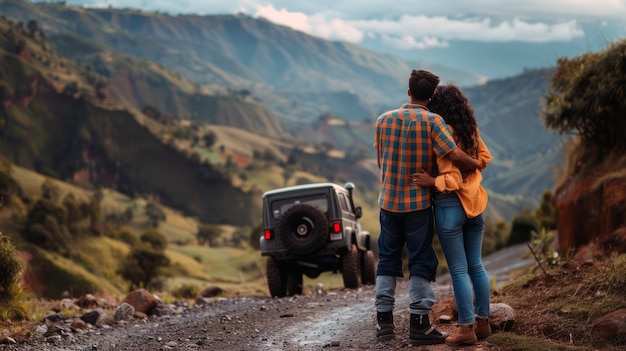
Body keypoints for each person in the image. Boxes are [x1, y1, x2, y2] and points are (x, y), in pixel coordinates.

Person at [373, 70, 480, 346]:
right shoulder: (434, 122)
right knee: (420, 261)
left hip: (388, 204)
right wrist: (475, 164)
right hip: (418, 205)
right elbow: (454, 155)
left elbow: (380, 162)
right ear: (432, 95)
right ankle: (419, 324)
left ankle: (383, 322)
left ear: (408, 90)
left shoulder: (382, 120)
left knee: (387, 259)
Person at [410, 83, 493, 346]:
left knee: (458, 269)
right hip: (475, 203)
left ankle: (466, 329)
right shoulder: (471, 131)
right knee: (476, 265)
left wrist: (432, 181)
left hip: (450, 206)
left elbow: (453, 180)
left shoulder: (442, 131)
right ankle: (483, 323)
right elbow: (484, 159)